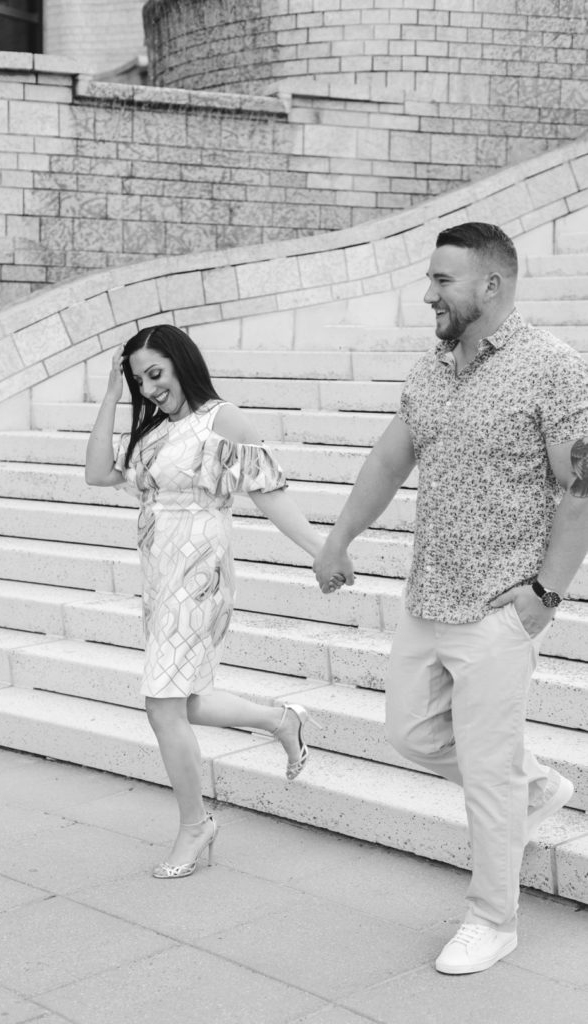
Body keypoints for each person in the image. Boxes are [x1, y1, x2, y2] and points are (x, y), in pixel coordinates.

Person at [314, 222, 588, 974]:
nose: (427, 292)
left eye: (442, 280)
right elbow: (387, 457)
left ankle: (492, 919)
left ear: (491, 285)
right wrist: (337, 540)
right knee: (409, 734)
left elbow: (580, 488)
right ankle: (533, 788)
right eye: (430, 278)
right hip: (428, 593)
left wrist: (545, 594)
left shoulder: (553, 369)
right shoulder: (431, 369)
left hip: (501, 606)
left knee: (488, 772)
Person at [85, 323, 323, 879]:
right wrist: (111, 397)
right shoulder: (153, 433)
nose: (148, 388)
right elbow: (97, 472)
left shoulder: (221, 420)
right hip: (160, 576)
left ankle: (195, 825)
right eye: (138, 379)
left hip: (199, 574)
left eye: (155, 374)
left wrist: (321, 550)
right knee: (184, 702)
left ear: (181, 364)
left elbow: (271, 494)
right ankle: (281, 720)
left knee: (160, 704)